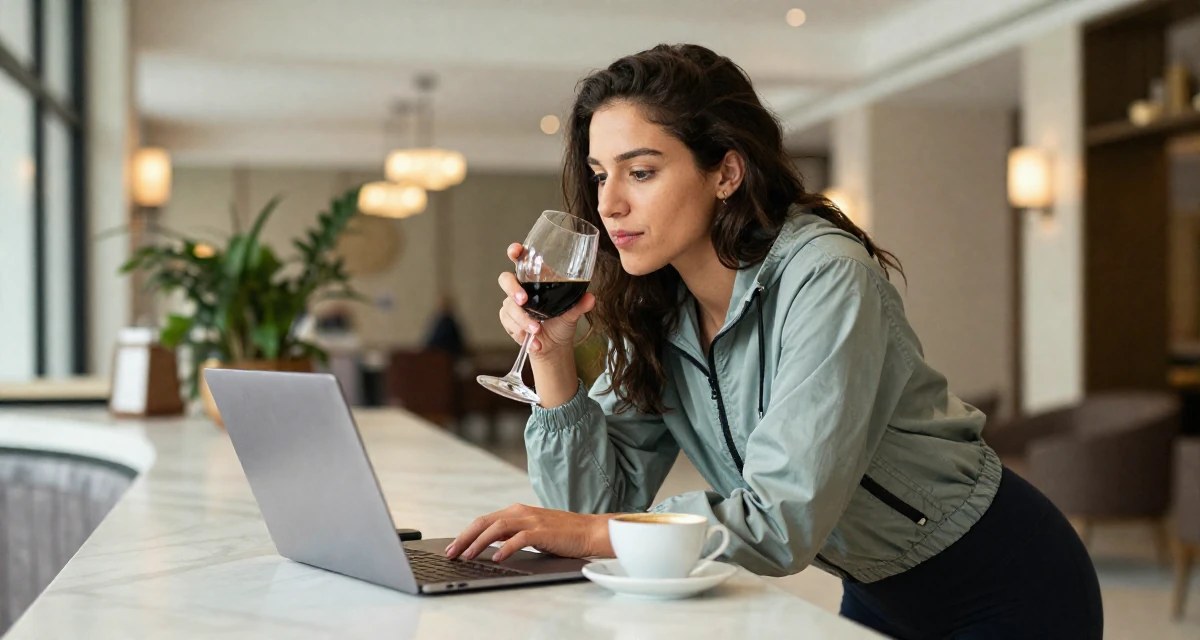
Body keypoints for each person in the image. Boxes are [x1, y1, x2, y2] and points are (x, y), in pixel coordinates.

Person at [446, 44, 1102, 638]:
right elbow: (589, 512)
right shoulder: (655, 303)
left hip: (1005, 581)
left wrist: (589, 531)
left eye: (639, 172)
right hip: (875, 586)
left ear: (726, 173)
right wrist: (551, 358)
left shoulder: (825, 278)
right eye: (598, 174)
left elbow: (779, 523)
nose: (609, 204)